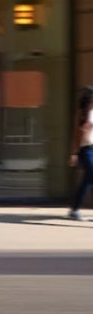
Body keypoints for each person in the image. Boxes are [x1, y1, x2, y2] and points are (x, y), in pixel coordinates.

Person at [70, 86, 93, 221]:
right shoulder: (82, 113)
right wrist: (74, 153)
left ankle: (74, 209)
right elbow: (75, 134)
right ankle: (74, 209)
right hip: (85, 150)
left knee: (87, 181)